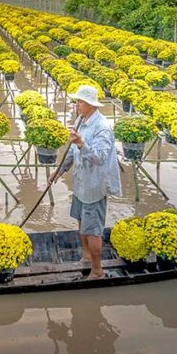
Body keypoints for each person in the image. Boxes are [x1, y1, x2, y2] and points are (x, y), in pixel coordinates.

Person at [49, 84, 121, 279]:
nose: (76, 105)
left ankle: (97, 271)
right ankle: (86, 257)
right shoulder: (81, 120)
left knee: (93, 230)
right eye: (76, 101)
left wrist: (82, 143)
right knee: (82, 223)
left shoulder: (103, 128)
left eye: (80, 102)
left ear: (90, 104)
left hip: (94, 187)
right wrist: (59, 170)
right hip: (81, 184)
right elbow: (72, 151)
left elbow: (99, 157)